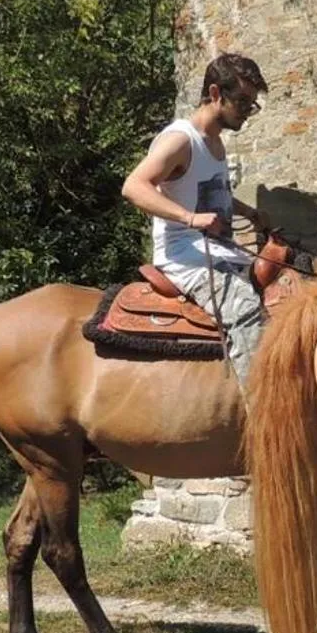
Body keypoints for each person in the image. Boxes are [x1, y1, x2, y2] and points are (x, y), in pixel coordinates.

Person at [122, 53, 272, 387]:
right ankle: (266, 412)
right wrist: (189, 218)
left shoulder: (215, 142)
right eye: (243, 101)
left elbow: (205, 192)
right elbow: (133, 186)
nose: (248, 111)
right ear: (216, 93)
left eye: (252, 103)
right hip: (184, 256)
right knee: (245, 311)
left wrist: (248, 212)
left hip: (218, 252)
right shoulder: (181, 140)